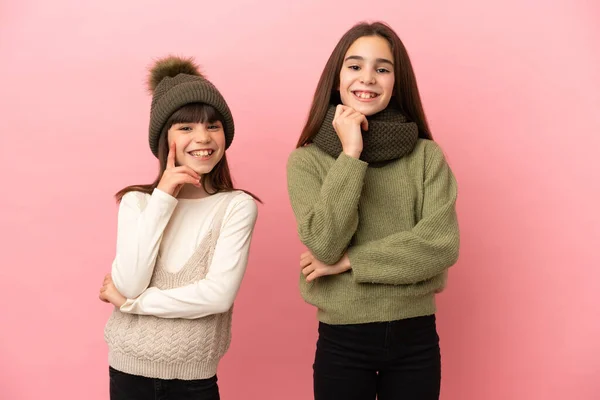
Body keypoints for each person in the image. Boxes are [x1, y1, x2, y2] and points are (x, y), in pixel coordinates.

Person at [286, 21, 460, 400]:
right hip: (342, 340)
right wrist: (351, 153)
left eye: (382, 69)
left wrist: (352, 262)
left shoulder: (426, 156)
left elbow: (440, 246)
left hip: (415, 337)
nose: (368, 78)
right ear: (336, 78)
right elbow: (324, 244)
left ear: (397, 83)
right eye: (355, 66)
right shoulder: (307, 161)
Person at [99, 55, 259, 400]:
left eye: (213, 126)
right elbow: (129, 282)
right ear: (163, 138)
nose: (203, 138)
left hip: (193, 379)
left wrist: (133, 305)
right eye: (186, 128)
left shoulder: (236, 206)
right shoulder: (137, 203)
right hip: (126, 371)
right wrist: (163, 198)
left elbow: (218, 296)